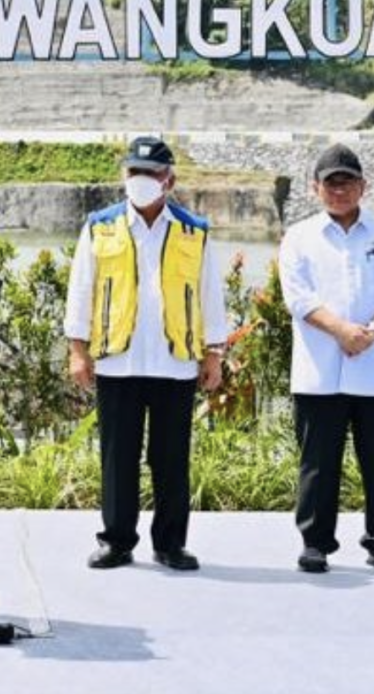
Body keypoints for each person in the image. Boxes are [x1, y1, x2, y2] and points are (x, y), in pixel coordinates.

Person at [64, 135, 226, 572]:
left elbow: (211, 293)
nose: (141, 181)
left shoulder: (194, 231)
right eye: (134, 172)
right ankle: (117, 540)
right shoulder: (100, 226)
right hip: (119, 359)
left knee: (171, 458)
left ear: (168, 180)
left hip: (175, 361)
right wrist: (78, 351)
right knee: (118, 457)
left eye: (151, 174)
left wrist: (214, 353)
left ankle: (170, 543)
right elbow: (81, 289)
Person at [279, 143, 374, 574]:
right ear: (315, 188)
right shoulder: (299, 237)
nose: (340, 191)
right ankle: (316, 542)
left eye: (348, 182)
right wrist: (340, 330)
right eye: (331, 183)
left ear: (363, 186)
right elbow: (298, 297)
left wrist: (371, 332)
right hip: (321, 370)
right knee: (317, 463)